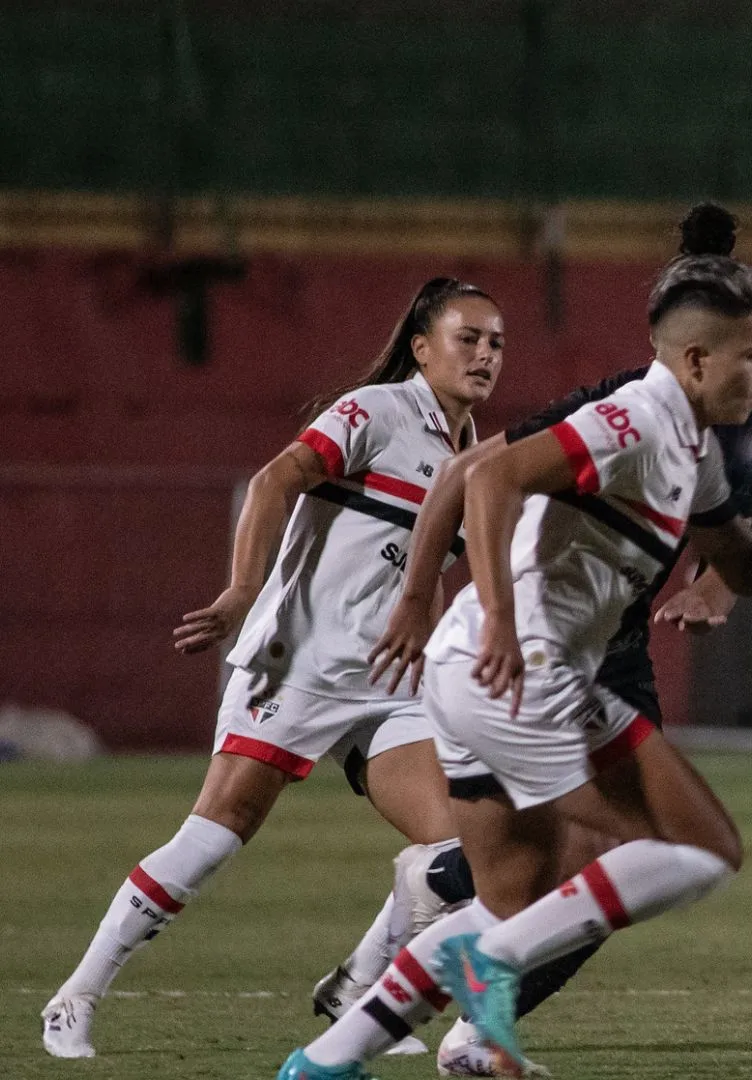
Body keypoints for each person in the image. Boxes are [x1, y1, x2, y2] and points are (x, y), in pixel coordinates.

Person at [276, 203, 752, 1080]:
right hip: (523, 671)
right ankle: (488, 966)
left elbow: (740, 562)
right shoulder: (633, 420)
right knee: (695, 850)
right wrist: (505, 623)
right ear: (696, 360)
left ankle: (326, 1060)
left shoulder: (698, 446)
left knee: (512, 898)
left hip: (475, 673)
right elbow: (489, 479)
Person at [41, 278, 506, 1060]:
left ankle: (358, 987)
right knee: (211, 841)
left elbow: (424, 572)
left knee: (460, 848)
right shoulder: (377, 411)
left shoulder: (470, 452)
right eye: (469, 338)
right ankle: (75, 995)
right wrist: (242, 590)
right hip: (301, 664)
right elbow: (275, 479)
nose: (486, 354)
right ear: (423, 348)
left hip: (387, 681)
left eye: (496, 342)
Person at [356, 342, 752, 1077]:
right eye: (750, 351)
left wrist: (714, 592)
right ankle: (444, 937)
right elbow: (467, 474)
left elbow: (731, 551)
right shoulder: (618, 409)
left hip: (618, 653)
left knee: (594, 877)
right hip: (540, 647)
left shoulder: (738, 434)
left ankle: (449, 1005)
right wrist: (417, 597)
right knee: (614, 856)